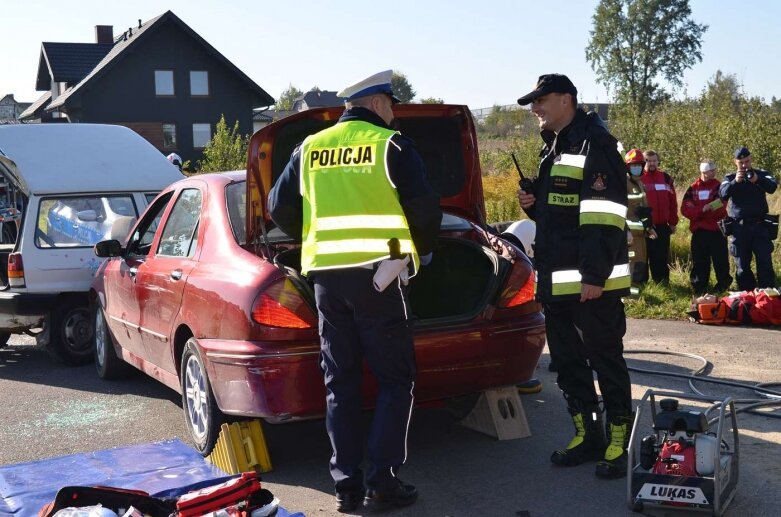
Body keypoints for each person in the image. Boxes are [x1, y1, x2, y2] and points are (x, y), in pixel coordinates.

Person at [267, 70, 441, 513]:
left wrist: (313, 240)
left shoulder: (309, 147)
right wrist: (413, 255)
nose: (394, 113)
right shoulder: (391, 144)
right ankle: (382, 481)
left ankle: (345, 486)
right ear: (378, 103)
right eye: (393, 105)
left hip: (326, 279)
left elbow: (278, 207)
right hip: (379, 277)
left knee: (339, 383)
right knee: (395, 379)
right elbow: (425, 211)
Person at [516, 74, 633, 479]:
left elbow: (605, 217)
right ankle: (589, 436)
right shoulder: (556, 146)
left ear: (566, 99)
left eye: (541, 101)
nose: (535, 109)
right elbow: (560, 216)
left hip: (590, 283)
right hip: (558, 282)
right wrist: (533, 204)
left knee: (605, 358)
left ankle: (619, 442)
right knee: (567, 363)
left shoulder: (595, 143)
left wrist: (595, 275)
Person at [719, 147, 778, 290]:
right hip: (739, 229)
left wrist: (758, 180)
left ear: (751, 159)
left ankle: (767, 298)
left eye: (747, 161)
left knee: (765, 265)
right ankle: (747, 298)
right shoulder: (729, 178)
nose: (745, 165)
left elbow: (772, 187)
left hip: (760, 227)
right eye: (741, 163)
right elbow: (722, 194)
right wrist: (735, 182)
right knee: (742, 268)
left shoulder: (761, 174)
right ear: (735, 162)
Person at [680, 160, 732, 294]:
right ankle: (699, 288)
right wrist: (702, 210)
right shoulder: (693, 188)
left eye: (715, 169)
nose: (714, 172)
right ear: (703, 172)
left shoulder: (719, 186)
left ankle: (723, 285)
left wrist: (702, 210)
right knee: (700, 262)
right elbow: (685, 208)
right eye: (711, 170)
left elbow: (720, 204)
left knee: (721, 261)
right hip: (699, 232)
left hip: (717, 231)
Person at [639, 150, 678, 284]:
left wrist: (673, 222)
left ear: (658, 161)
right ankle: (642, 285)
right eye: (648, 161)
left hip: (662, 226)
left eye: (654, 160)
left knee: (660, 257)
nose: (651, 163)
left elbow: (673, 202)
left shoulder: (665, 178)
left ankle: (662, 283)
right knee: (643, 257)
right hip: (644, 226)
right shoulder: (638, 178)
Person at [624, 148, 656, 285]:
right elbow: (619, 209)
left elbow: (643, 209)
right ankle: (631, 299)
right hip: (630, 235)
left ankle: (638, 297)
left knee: (640, 265)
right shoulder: (623, 183)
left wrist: (649, 227)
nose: (636, 168)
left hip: (641, 234)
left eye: (638, 165)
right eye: (633, 165)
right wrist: (626, 230)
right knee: (631, 266)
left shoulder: (639, 183)